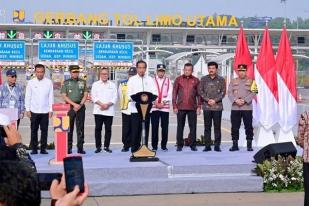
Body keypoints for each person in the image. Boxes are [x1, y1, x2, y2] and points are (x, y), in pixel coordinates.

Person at [127, 60, 157, 153]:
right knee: (135, 131)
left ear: (146, 68)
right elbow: (129, 94)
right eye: (139, 68)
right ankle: (134, 150)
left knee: (146, 130)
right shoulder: (132, 80)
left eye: (143, 68)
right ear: (137, 68)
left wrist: (149, 99)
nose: (141, 70)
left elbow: (154, 93)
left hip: (147, 110)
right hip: (135, 110)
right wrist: (138, 99)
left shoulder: (150, 79)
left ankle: (145, 149)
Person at [25, 64, 54, 155]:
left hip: (45, 111)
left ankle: (43, 149)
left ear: (44, 72)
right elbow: (28, 96)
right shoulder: (31, 82)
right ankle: (34, 148)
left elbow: (51, 97)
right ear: (35, 72)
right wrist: (28, 109)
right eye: (38, 72)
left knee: (44, 130)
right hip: (34, 111)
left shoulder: (49, 82)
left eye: (41, 72)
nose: (40, 74)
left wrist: (51, 109)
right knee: (34, 130)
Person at [173, 62, 201, 152]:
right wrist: (174, 106)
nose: (187, 71)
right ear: (183, 70)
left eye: (189, 70)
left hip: (192, 107)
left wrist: (199, 106)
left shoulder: (196, 80)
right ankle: (179, 144)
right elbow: (174, 93)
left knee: (193, 127)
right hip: (180, 107)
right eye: (185, 70)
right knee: (180, 127)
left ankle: (193, 145)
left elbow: (199, 95)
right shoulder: (178, 79)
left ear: (192, 71)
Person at [198, 61, 225, 152]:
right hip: (207, 107)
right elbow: (200, 91)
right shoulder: (203, 79)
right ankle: (207, 146)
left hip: (217, 107)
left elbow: (223, 92)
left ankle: (217, 145)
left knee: (217, 127)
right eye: (209, 68)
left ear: (216, 69)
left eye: (213, 68)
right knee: (207, 127)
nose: (211, 70)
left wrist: (215, 100)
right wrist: (207, 99)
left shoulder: (221, 79)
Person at [228, 64, 255, 152]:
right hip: (235, 108)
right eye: (240, 71)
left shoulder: (252, 81)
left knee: (248, 127)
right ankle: (235, 145)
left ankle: (249, 145)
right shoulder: (233, 81)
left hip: (247, 108)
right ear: (237, 71)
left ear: (246, 71)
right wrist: (236, 100)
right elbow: (229, 93)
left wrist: (245, 100)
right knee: (235, 127)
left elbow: (254, 93)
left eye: (243, 71)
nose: (241, 72)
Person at [61, 65, 88, 154]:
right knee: (69, 128)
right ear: (70, 72)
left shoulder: (83, 82)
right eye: (74, 72)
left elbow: (85, 94)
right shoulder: (66, 82)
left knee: (80, 128)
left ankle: (80, 148)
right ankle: (69, 148)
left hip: (80, 106)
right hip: (70, 107)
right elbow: (64, 96)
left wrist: (80, 104)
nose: (75, 73)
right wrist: (74, 105)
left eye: (77, 72)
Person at [91, 68, 117, 153]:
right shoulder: (95, 84)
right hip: (98, 110)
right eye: (102, 74)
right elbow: (93, 97)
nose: (104, 75)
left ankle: (106, 146)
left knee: (108, 129)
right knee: (98, 129)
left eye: (106, 74)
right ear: (100, 75)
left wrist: (107, 105)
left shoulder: (112, 85)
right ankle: (98, 147)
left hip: (109, 111)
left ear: (108, 75)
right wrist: (102, 105)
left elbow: (115, 98)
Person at [151, 64, 172, 151]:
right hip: (155, 107)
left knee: (165, 127)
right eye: (159, 71)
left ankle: (164, 145)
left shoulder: (168, 80)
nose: (161, 73)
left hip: (165, 107)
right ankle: (154, 146)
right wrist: (155, 102)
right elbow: (150, 93)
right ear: (157, 71)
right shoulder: (152, 80)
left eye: (162, 71)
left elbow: (170, 93)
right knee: (154, 127)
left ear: (164, 72)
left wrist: (163, 103)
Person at [118, 67, 137, 152]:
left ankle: (134, 145)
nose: (131, 76)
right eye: (130, 74)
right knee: (126, 129)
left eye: (133, 74)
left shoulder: (138, 83)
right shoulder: (122, 84)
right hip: (125, 109)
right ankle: (126, 145)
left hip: (135, 109)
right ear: (128, 74)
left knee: (135, 128)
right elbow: (119, 95)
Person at [296, 111, 309, 206]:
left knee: (308, 188)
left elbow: (300, 137)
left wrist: (304, 145)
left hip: (308, 157)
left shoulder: (305, 115)